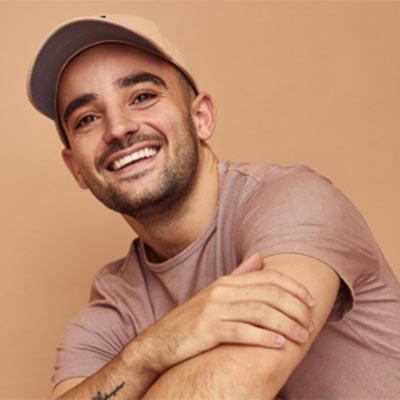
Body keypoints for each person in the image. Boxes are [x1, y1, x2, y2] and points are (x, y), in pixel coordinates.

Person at [28, 14, 400, 400]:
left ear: (201, 117)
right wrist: (147, 352)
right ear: (76, 168)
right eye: (87, 118)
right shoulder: (113, 306)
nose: (119, 128)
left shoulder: (295, 202)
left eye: (142, 96)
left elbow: (243, 380)